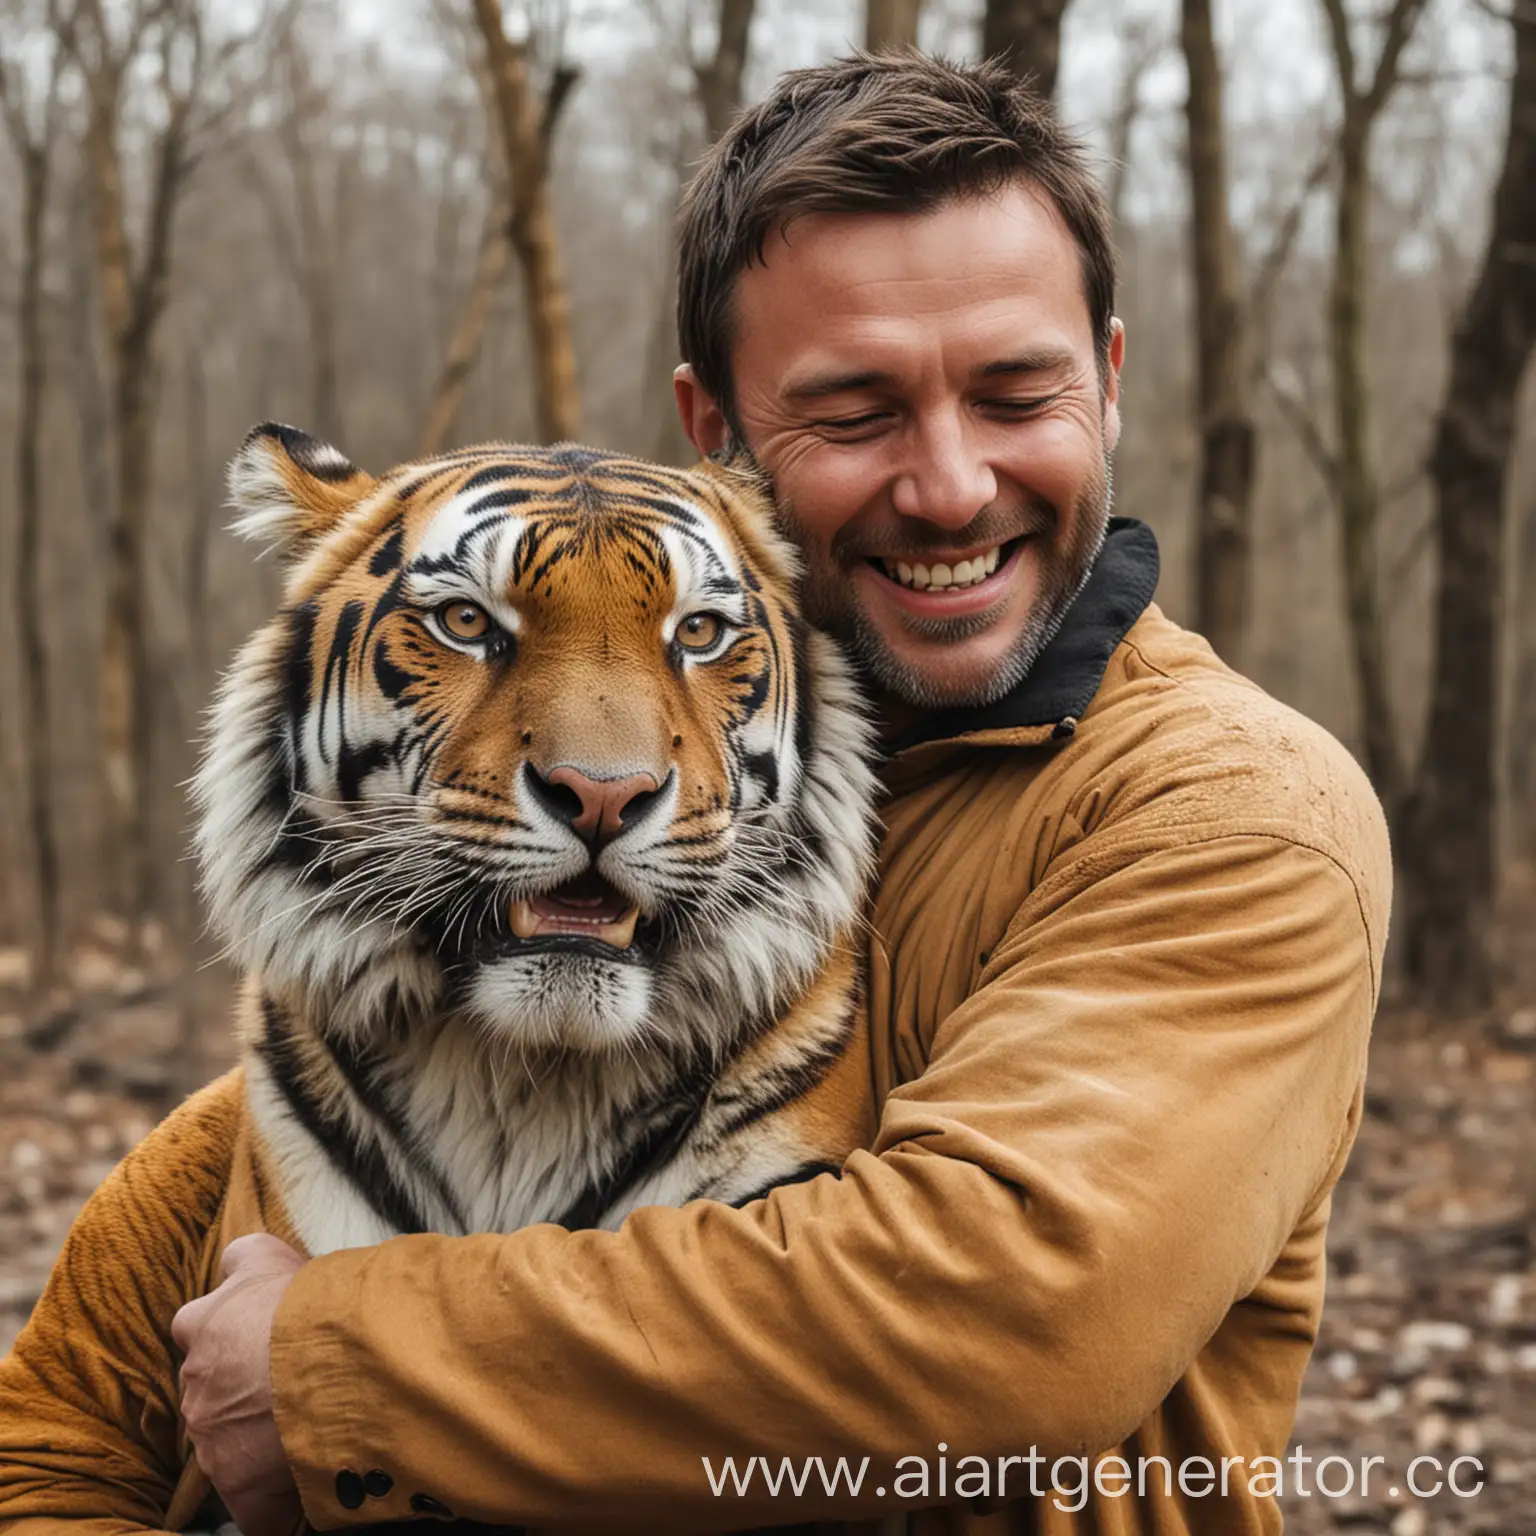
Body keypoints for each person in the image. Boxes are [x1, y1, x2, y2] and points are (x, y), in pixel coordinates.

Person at [175, 50, 1391, 1535]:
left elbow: (1001, 1321)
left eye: (1017, 390)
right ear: (719, 440)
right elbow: (215, 1221)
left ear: (1111, 380)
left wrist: (327, 1357)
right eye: (858, 409)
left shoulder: (1234, 814)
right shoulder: (743, 768)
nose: (949, 487)